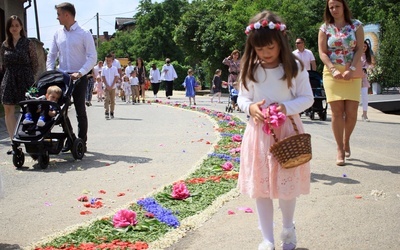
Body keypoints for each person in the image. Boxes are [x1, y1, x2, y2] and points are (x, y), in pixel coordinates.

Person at [238, 10, 314, 250]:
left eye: (270, 48)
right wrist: (251, 108)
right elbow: (242, 97)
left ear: (280, 42)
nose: (266, 54)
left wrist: (285, 107)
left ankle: (288, 228)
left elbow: (307, 99)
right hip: (259, 135)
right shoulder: (250, 67)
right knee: (262, 189)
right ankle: (267, 239)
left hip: (287, 133)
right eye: (260, 49)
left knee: (286, 185)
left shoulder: (295, 66)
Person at [318, 0, 364, 166]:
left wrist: (351, 68)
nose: (334, 10)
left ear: (344, 6)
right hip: (332, 73)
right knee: (337, 112)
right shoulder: (325, 27)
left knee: (351, 113)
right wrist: (332, 69)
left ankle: (346, 141)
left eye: (337, 6)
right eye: (331, 7)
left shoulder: (356, 25)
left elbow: (360, 48)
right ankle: (339, 149)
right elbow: (322, 52)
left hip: (352, 70)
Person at [46, 2, 97, 152]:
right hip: (62, 77)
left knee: (80, 110)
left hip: (79, 77)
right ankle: (71, 139)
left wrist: (81, 72)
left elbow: (92, 57)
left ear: (67, 14)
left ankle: (82, 141)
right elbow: (52, 55)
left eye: (59, 14)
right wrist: (51, 72)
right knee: (61, 110)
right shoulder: (58, 34)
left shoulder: (84, 34)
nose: (57, 18)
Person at [0, 15, 38, 153]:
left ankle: (30, 139)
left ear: (21, 27)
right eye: (12, 25)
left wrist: (30, 80)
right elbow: (3, 64)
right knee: (8, 109)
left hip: (26, 78)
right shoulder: (5, 45)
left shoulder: (28, 43)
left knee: (29, 109)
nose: (14, 28)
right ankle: (14, 143)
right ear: (8, 28)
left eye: (17, 25)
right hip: (9, 78)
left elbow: (35, 63)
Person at [102, 54, 119, 119]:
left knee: (112, 100)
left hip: (113, 87)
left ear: (112, 61)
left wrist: (112, 85)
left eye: (109, 60)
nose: (108, 62)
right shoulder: (104, 68)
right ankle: (106, 111)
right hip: (106, 86)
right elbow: (103, 77)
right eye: (107, 60)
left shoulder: (114, 68)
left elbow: (116, 77)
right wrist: (107, 85)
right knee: (106, 99)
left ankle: (112, 111)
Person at [361, 40, 375, 122]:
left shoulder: (368, 57)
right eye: (362, 46)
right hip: (356, 77)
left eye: (365, 46)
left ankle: (365, 114)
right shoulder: (357, 55)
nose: (364, 48)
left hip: (364, 77)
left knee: (365, 96)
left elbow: (371, 66)